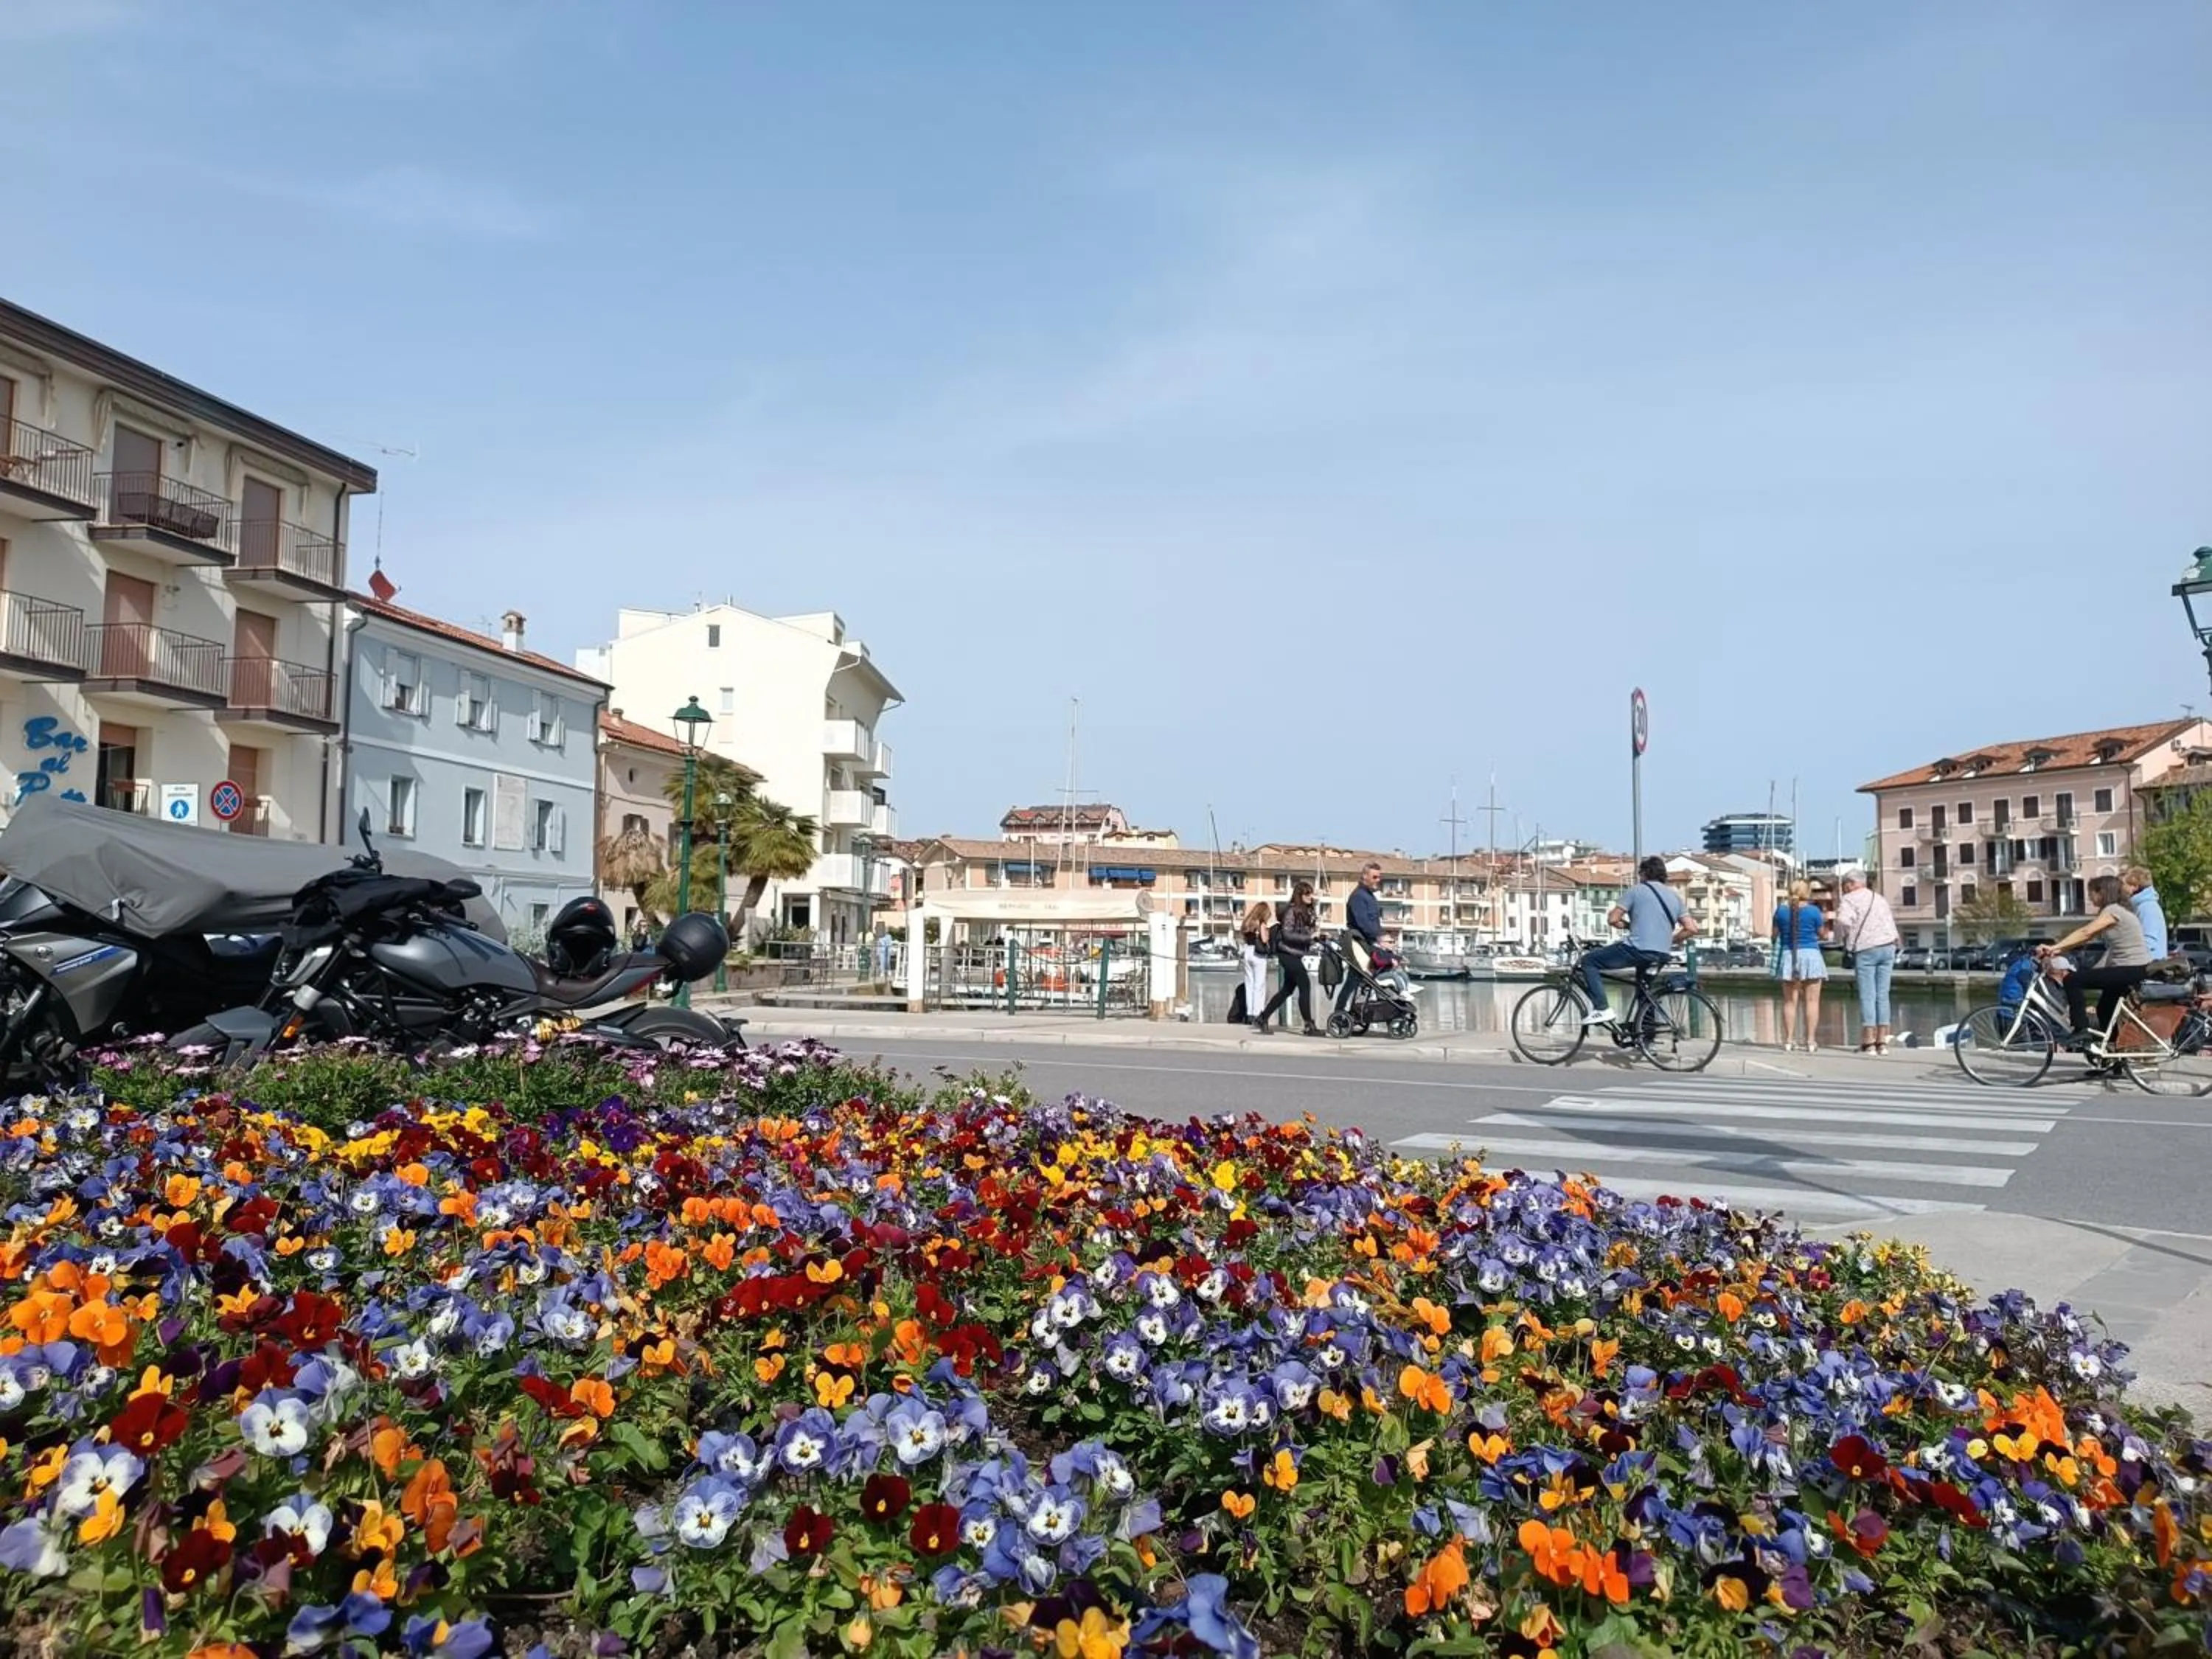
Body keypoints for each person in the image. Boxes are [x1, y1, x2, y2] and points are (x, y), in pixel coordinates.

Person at [2039, 872, 2154, 1048]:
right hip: (2135, 969)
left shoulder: (2113, 911)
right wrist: (2059, 949)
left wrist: (2055, 948)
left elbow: (2087, 932)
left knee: (2072, 980)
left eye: (2091, 892)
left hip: (2130, 968)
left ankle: (2080, 1029)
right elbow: (2086, 938)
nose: (2089, 897)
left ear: (2102, 892)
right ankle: (2115, 1055)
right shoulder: (2121, 910)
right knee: (2105, 1009)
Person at [1582, 857, 1694, 1024]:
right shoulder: (1675, 897)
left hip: (1637, 949)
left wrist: (1628, 925)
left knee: (1589, 962)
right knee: (1645, 992)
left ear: (1644, 874)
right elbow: (1692, 928)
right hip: (1662, 953)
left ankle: (1602, 1009)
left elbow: (1613, 919)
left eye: (1640, 873)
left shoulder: (1637, 891)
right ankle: (1647, 1040)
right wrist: (1671, 940)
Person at [1833, 867, 1900, 1054]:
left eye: (1846, 884)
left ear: (1852, 883)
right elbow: (1890, 922)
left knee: (1868, 996)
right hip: (1888, 946)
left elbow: (1843, 921)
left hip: (1866, 949)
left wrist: (1842, 939)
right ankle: (1882, 1042)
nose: (1844, 888)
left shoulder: (1849, 900)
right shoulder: (1879, 898)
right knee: (1883, 995)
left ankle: (1869, 1042)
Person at [1254, 880, 1321, 1035]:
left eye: (1311, 893)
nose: (1311, 896)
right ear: (1300, 895)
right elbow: (1287, 934)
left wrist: (1316, 935)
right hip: (1286, 952)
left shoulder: (1305, 911)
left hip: (1295, 953)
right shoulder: (1292, 912)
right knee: (1305, 985)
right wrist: (1309, 937)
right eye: (1307, 893)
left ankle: (1262, 1018)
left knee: (1287, 990)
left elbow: (1306, 931)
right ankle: (1309, 1025)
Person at [1237, 900, 1274, 1028]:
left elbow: (1243, 936)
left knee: (1249, 984)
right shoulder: (1261, 923)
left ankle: (1249, 1013)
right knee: (1259, 985)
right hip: (1258, 954)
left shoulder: (1247, 922)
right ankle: (1258, 1013)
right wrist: (1268, 935)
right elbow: (1264, 939)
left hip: (1247, 951)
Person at [2124, 866, 2168, 961]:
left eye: (2125, 884)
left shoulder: (2147, 907)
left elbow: (2149, 942)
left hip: (2149, 968)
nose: (2122, 888)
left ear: (2135, 886)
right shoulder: (2142, 906)